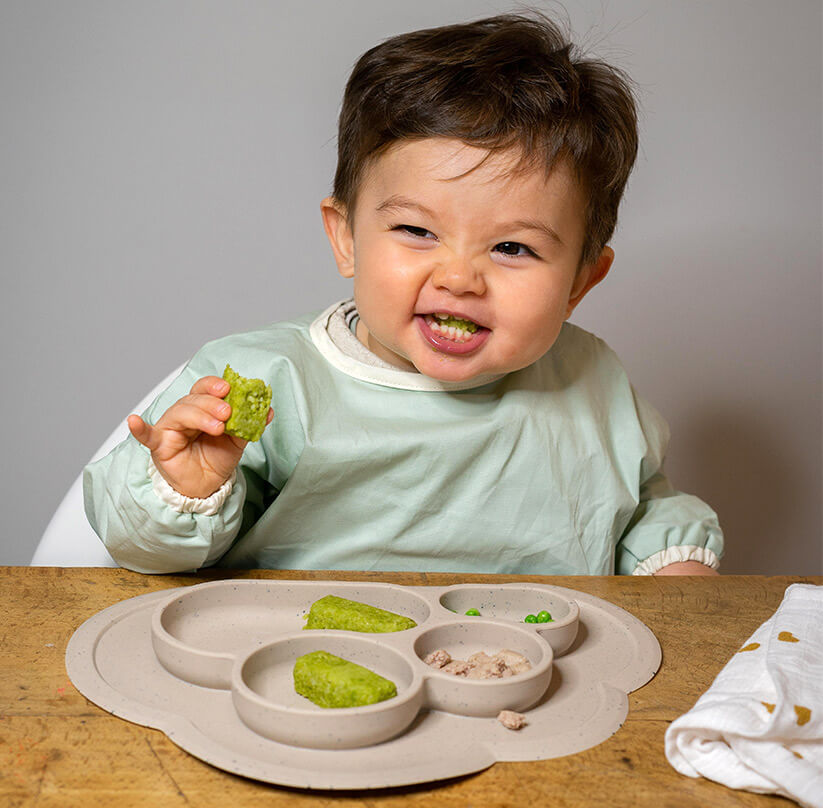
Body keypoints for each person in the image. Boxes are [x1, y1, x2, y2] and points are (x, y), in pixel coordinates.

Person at [84, 12, 723, 576]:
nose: (459, 277)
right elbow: (141, 552)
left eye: (512, 248)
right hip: (304, 672)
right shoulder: (270, 380)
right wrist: (185, 492)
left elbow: (639, 504)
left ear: (581, 282)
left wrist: (674, 563)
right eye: (417, 231)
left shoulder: (592, 382)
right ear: (347, 240)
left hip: (534, 683)